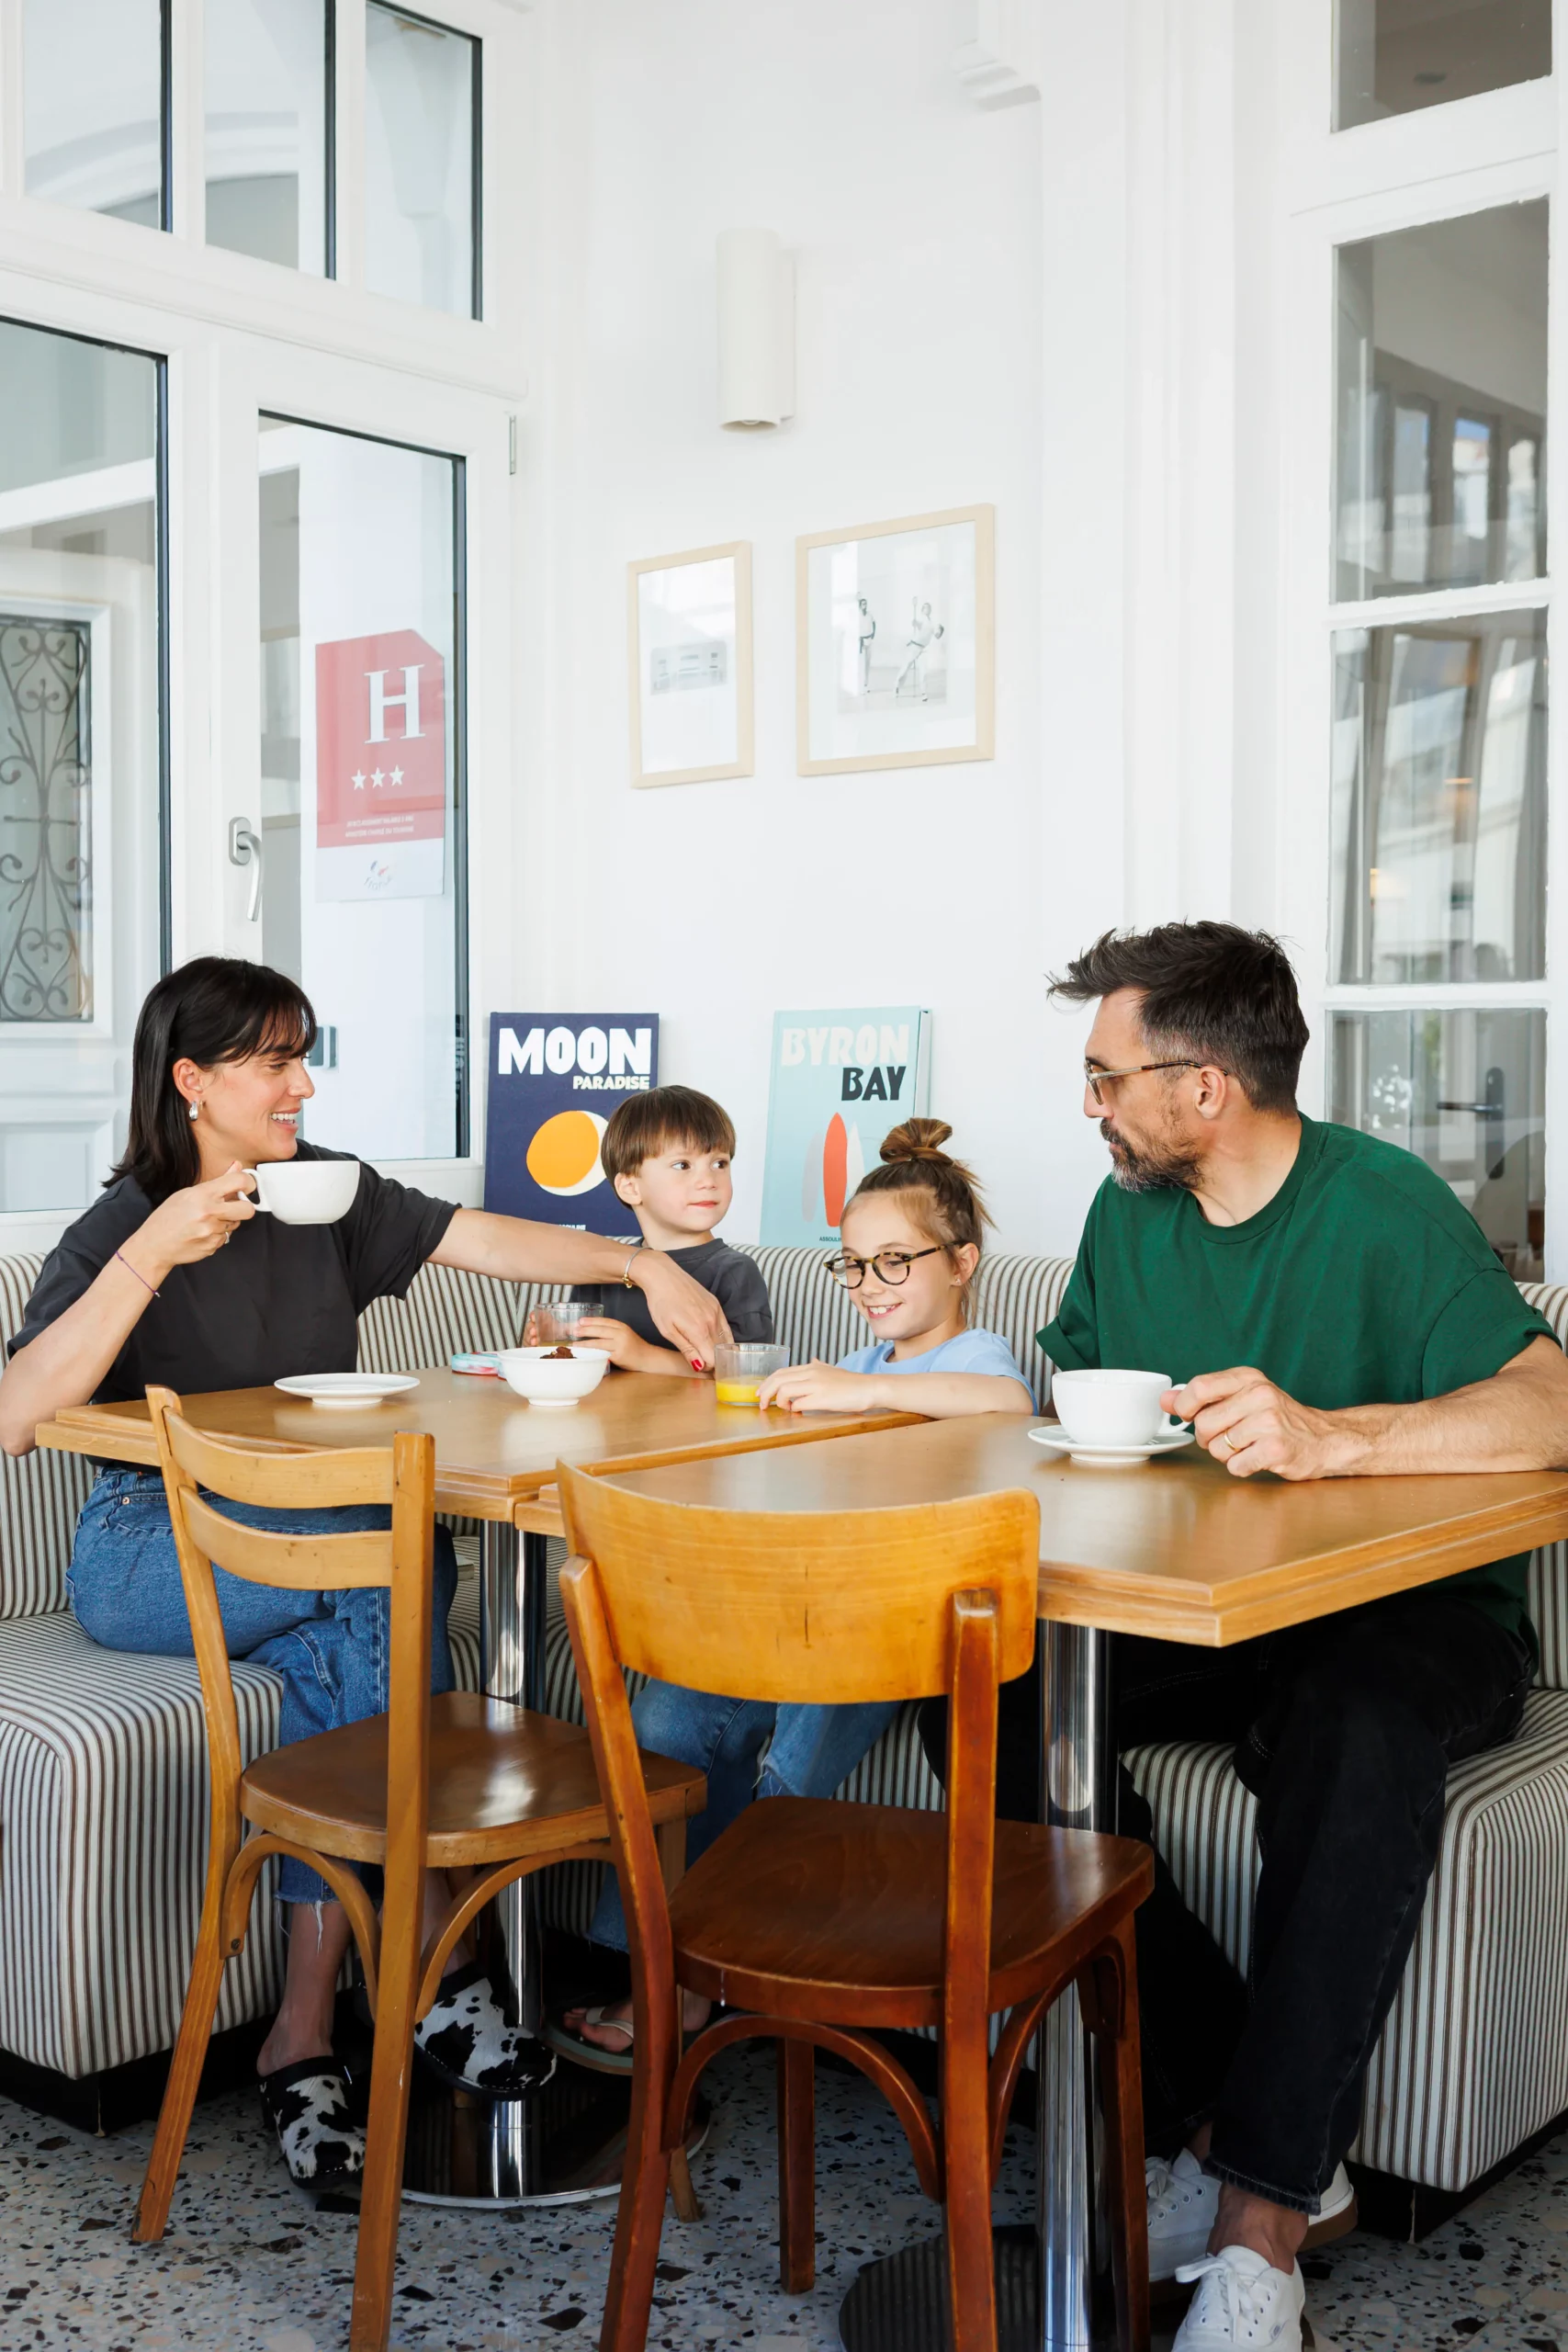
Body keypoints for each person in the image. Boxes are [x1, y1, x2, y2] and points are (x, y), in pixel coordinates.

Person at [924, 922, 1568, 2352]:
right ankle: (1230, 2107)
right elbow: (1073, 1396)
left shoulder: (1381, 1206)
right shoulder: (1126, 1217)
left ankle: (1259, 2222)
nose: (1087, 1106)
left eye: (1105, 1078)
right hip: (1212, 1607)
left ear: (1201, 1087)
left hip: (1414, 1616)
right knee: (972, 1684)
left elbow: (1551, 1406)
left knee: (1352, 1725)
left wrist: (1339, 1438)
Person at [0, 958, 730, 2191]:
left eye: (303, 1056)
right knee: (396, 1563)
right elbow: (17, 1415)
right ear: (192, 1081)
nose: (302, 1085)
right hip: (145, 1548)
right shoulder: (125, 1222)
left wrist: (639, 1265)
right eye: (273, 1062)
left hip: (311, 1555)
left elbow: (477, 1237)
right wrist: (151, 1253)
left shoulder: (321, 1192)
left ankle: (299, 2033)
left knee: (363, 1620)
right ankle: (436, 1942)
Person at [557, 1118, 1034, 2064]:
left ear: (961, 1263)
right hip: (807, 1605)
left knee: (787, 1763)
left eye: (894, 1262)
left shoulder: (971, 1359)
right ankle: (654, 1962)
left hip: (899, 1622)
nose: (869, 1286)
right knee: (666, 1718)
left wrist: (861, 1395)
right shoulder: (855, 1367)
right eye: (852, 1266)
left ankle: (711, 1981)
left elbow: (1009, 1405)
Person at [560, 1085, 773, 1368]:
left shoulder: (735, 1273)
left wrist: (639, 1354)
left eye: (719, 1163)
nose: (708, 1180)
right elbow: (580, 1361)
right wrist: (554, 1349)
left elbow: (752, 1375)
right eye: (683, 1165)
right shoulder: (603, 1273)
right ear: (630, 1187)